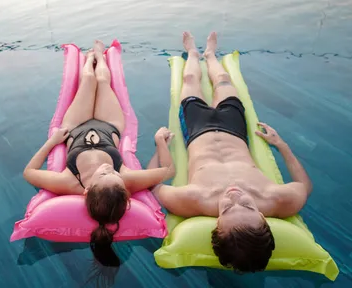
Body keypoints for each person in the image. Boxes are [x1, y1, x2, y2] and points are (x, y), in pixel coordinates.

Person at [151, 31, 313, 273]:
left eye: (226, 209)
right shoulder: (276, 199)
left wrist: (159, 145)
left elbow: (152, 184)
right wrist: (281, 145)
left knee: (189, 81)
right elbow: (304, 185)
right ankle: (211, 54)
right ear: (264, 220)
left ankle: (193, 54)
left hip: (197, 130)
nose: (234, 196)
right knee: (224, 81)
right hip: (234, 129)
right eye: (248, 207)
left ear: (215, 224)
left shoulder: (194, 200)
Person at [23, 40, 175, 268]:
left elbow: (29, 172)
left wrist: (52, 142)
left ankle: (90, 59)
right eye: (114, 173)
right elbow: (168, 171)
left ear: (86, 191)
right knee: (103, 80)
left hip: (76, 125)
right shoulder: (124, 182)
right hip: (109, 124)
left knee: (88, 79)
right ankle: (100, 57)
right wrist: (159, 142)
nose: (108, 169)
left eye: (105, 174)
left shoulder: (68, 182)